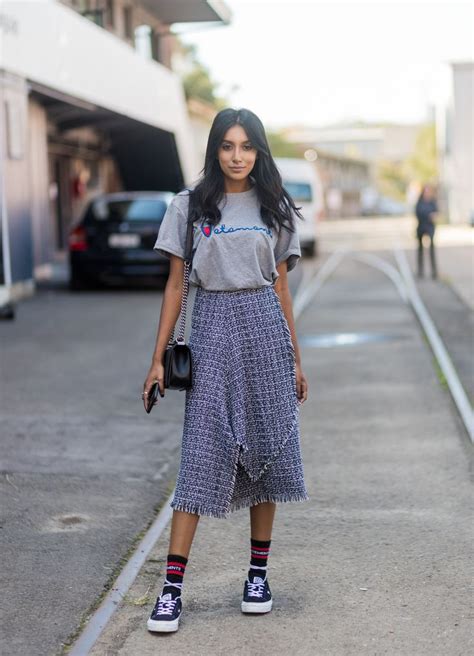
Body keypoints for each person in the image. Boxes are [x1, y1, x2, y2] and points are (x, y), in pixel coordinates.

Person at [142, 107, 309, 633]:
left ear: (258, 152)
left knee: (266, 450)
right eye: (228, 146)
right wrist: (156, 359)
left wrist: (296, 359)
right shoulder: (189, 206)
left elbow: (281, 286)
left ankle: (257, 576)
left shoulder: (273, 206)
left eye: (247, 147)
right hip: (212, 331)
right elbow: (175, 285)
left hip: (265, 332)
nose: (238, 156)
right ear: (214, 149)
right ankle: (171, 589)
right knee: (199, 456)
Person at [415, 183, 438, 279]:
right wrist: (429, 215)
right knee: (420, 250)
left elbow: (436, 212)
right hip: (421, 227)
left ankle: (434, 271)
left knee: (432, 250)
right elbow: (418, 213)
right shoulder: (419, 202)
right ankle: (420, 271)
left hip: (430, 228)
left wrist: (433, 216)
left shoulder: (432, 202)